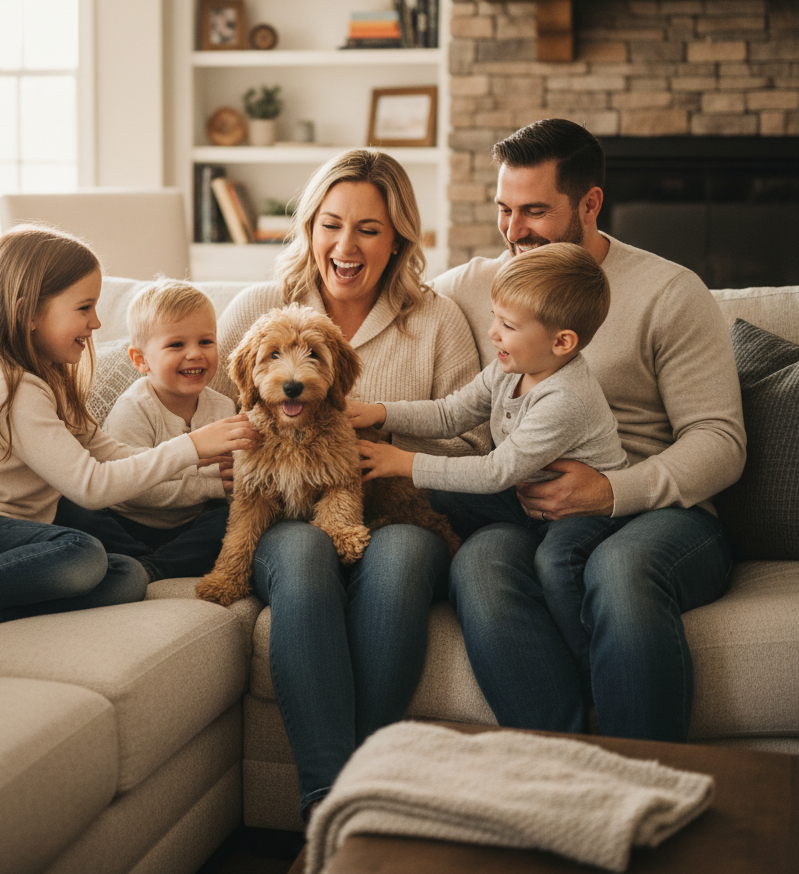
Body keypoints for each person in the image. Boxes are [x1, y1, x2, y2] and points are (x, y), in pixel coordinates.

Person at [432, 118, 746, 742]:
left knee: (620, 573)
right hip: (533, 510)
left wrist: (611, 492)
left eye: (535, 211)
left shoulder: (669, 292)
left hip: (662, 515)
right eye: (504, 210)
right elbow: (380, 301)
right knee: (480, 565)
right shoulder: (476, 287)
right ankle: (562, 768)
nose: (514, 232)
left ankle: (645, 777)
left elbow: (720, 441)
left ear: (590, 204)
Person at [213, 147, 488, 819]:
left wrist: (394, 451)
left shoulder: (436, 319)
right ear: (309, 227)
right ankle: (325, 805)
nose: (346, 244)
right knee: (305, 556)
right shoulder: (261, 306)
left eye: (369, 227)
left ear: (398, 237)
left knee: (395, 565)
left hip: (400, 510)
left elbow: (477, 441)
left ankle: (365, 793)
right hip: (282, 515)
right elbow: (215, 411)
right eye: (331, 223)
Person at [0, 225, 256, 646]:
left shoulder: (49, 376)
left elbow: (107, 452)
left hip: (12, 537)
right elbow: (90, 486)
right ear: (28, 313)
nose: (97, 322)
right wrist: (191, 446)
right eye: (84, 307)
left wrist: (202, 464)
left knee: (128, 576)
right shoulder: (8, 386)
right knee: (81, 552)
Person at [349, 242, 628, 683]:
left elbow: (496, 470)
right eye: (494, 317)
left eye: (508, 324)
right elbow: (451, 412)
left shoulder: (565, 398)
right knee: (436, 498)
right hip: (523, 499)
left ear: (562, 342)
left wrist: (403, 461)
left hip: (579, 513)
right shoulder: (511, 365)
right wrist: (381, 412)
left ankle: (590, 666)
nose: (493, 332)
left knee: (557, 564)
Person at [78, 279, 236, 582]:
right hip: (127, 520)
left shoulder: (223, 408)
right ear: (140, 360)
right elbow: (136, 489)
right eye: (177, 345)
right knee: (78, 512)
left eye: (206, 342)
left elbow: (230, 474)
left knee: (230, 519)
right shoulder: (135, 407)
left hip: (188, 525)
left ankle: (151, 568)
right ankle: (144, 562)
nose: (194, 354)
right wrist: (212, 485)